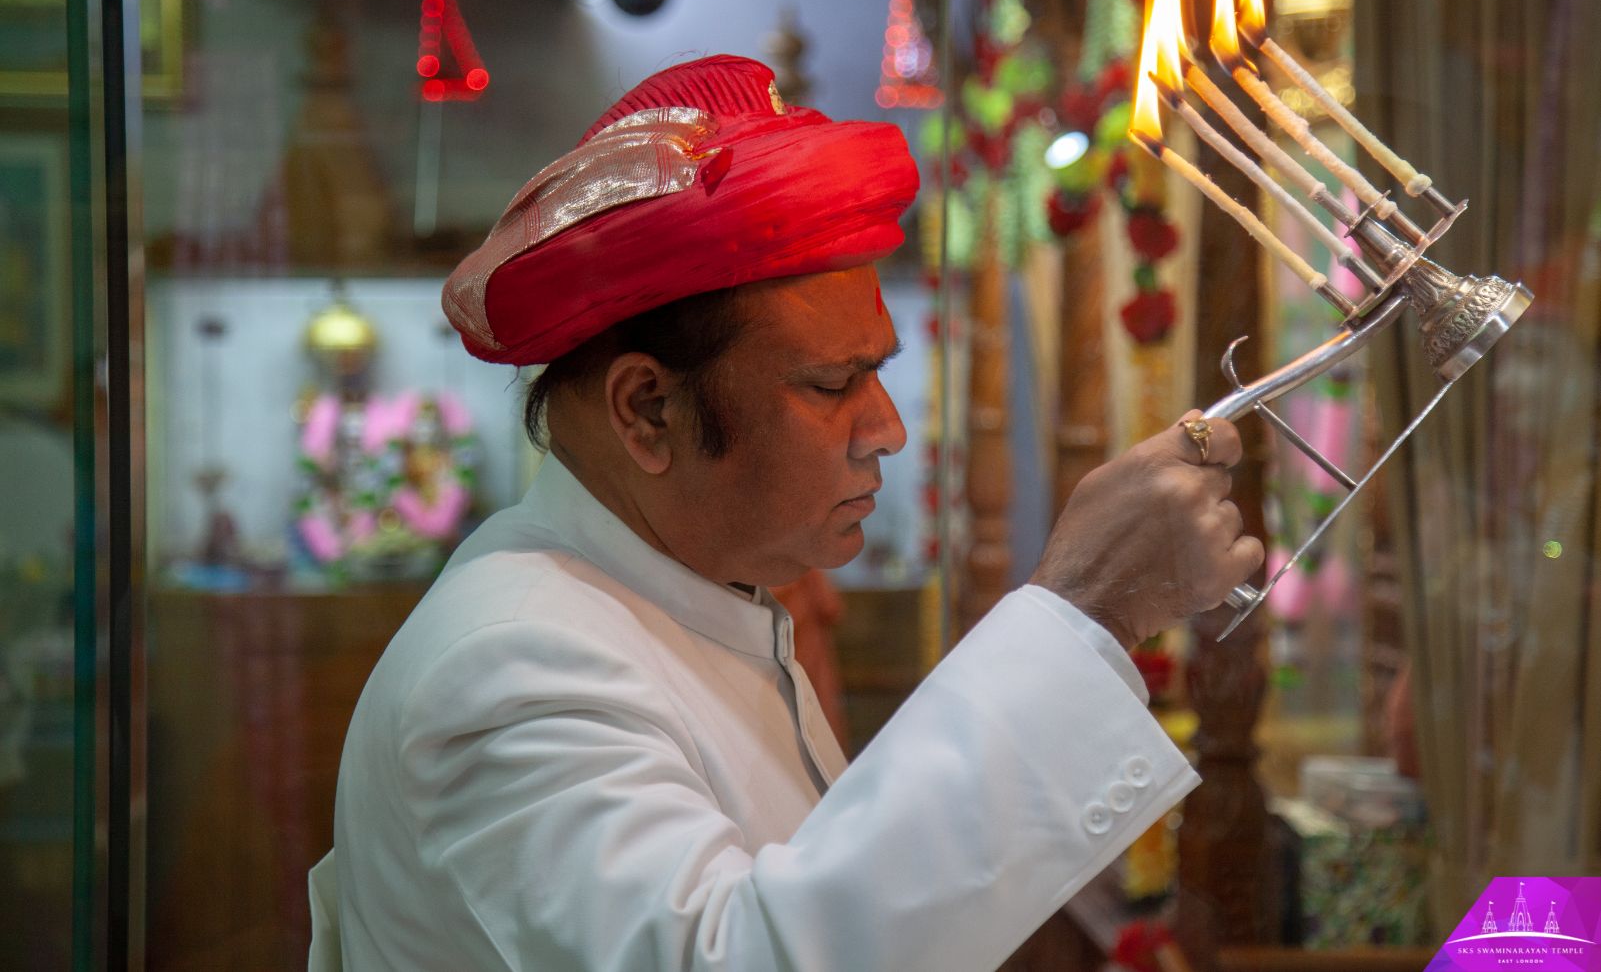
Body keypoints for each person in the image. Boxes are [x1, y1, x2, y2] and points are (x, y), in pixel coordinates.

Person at [308, 54, 1262, 971]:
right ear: (648, 409)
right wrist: (1084, 606)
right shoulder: (513, 663)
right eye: (832, 383)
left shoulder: (690, 603)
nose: (885, 429)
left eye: (877, 372)